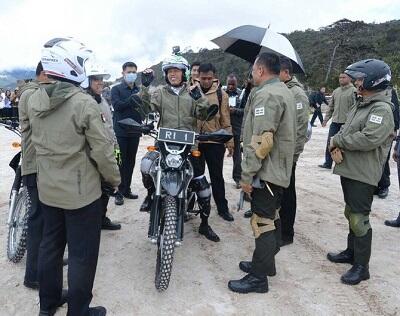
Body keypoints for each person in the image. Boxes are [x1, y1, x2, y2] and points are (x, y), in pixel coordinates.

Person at [28, 37, 120, 316]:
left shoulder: (33, 99)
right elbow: (103, 150)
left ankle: (48, 304)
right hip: (81, 194)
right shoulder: (83, 103)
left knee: (50, 247)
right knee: (82, 255)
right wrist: (114, 180)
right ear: (68, 64)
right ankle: (78, 311)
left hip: (48, 189)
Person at [228, 52, 296, 294]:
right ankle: (265, 263)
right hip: (277, 169)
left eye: (253, 69)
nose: (252, 74)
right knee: (273, 217)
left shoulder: (267, 95)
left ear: (260, 70)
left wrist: (246, 176)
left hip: (266, 171)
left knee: (263, 222)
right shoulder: (283, 90)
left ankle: (258, 278)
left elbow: (262, 142)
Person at [140, 53, 220, 242]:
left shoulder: (193, 92)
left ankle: (205, 223)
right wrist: (144, 87)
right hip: (163, 144)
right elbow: (145, 109)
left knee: (201, 184)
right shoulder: (159, 93)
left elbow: (207, 115)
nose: (172, 74)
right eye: (169, 71)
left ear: (184, 73)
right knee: (145, 166)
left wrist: (198, 97)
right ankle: (151, 194)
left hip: (189, 146)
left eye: (176, 71)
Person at [327, 59, 394, 285]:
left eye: (361, 79)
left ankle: (361, 266)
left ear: (374, 81)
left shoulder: (381, 109)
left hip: (364, 173)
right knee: (351, 212)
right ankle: (351, 252)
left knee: (359, 218)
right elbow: (349, 126)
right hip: (351, 168)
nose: (357, 83)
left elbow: (369, 138)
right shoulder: (363, 102)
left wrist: (338, 139)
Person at [18, 62, 52, 291]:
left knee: (46, 219)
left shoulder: (36, 92)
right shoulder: (32, 95)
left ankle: (46, 264)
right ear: (45, 74)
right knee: (38, 219)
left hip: (42, 164)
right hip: (35, 164)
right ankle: (33, 276)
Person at [82, 59, 121, 230]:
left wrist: (115, 148)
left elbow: (109, 126)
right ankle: (91, 223)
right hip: (92, 154)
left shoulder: (102, 100)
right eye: (96, 79)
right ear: (87, 81)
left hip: (107, 149)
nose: (100, 82)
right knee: (93, 191)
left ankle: (101, 218)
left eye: (101, 79)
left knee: (106, 188)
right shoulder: (84, 102)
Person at [197, 63, 234, 222]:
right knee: (195, 177)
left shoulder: (221, 94)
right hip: (196, 142)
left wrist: (230, 142)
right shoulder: (190, 92)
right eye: (203, 78)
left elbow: (226, 119)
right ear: (198, 77)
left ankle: (222, 208)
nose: (206, 81)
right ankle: (192, 207)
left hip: (215, 142)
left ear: (214, 77)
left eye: (209, 78)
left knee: (217, 177)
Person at [278, 57, 310, 246]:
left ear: (286, 73)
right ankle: (279, 226)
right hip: (279, 153)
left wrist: (294, 155)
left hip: (289, 154)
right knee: (279, 192)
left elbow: (300, 129)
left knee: (288, 193)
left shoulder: (297, 94)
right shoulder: (282, 90)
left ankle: (287, 234)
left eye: (277, 72)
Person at [111, 61, 149, 205]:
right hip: (120, 133)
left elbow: (143, 108)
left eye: (134, 72)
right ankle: (118, 192)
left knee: (131, 162)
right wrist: (131, 100)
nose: (131, 74)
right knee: (119, 161)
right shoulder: (116, 89)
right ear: (123, 73)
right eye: (129, 72)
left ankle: (127, 189)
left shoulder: (139, 90)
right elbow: (117, 106)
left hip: (135, 132)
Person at [319, 74, 356, 169]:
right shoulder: (336, 91)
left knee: (345, 144)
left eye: (344, 77)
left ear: (350, 79)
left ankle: (345, 165)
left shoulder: (354, 91)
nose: (341, 79)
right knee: (330, 143)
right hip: (335, 122)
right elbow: (331, 107)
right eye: (340, 77)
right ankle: (328, 163)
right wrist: (325, 120)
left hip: (347, 123)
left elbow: (356, 108)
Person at [375, 86, 400, 198]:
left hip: (387, 130)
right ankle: (374, 184)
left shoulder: (390, 91)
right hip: (372, 128)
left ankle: (384, 185)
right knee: (373, 158)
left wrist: (395, 128)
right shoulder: (368, 90)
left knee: (383, 157)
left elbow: (396, 110)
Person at [224, 74, 244, 189]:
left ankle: (238, 179)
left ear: (236, 83)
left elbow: (245, 110)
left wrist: (234, 110)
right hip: (223, 129)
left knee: (237, 156)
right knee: (217, 155)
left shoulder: (241, 95)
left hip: (235, 129)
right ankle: (216, 179)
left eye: (233, 84)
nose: (231, 86)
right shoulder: (222, 94)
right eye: (229, 84)